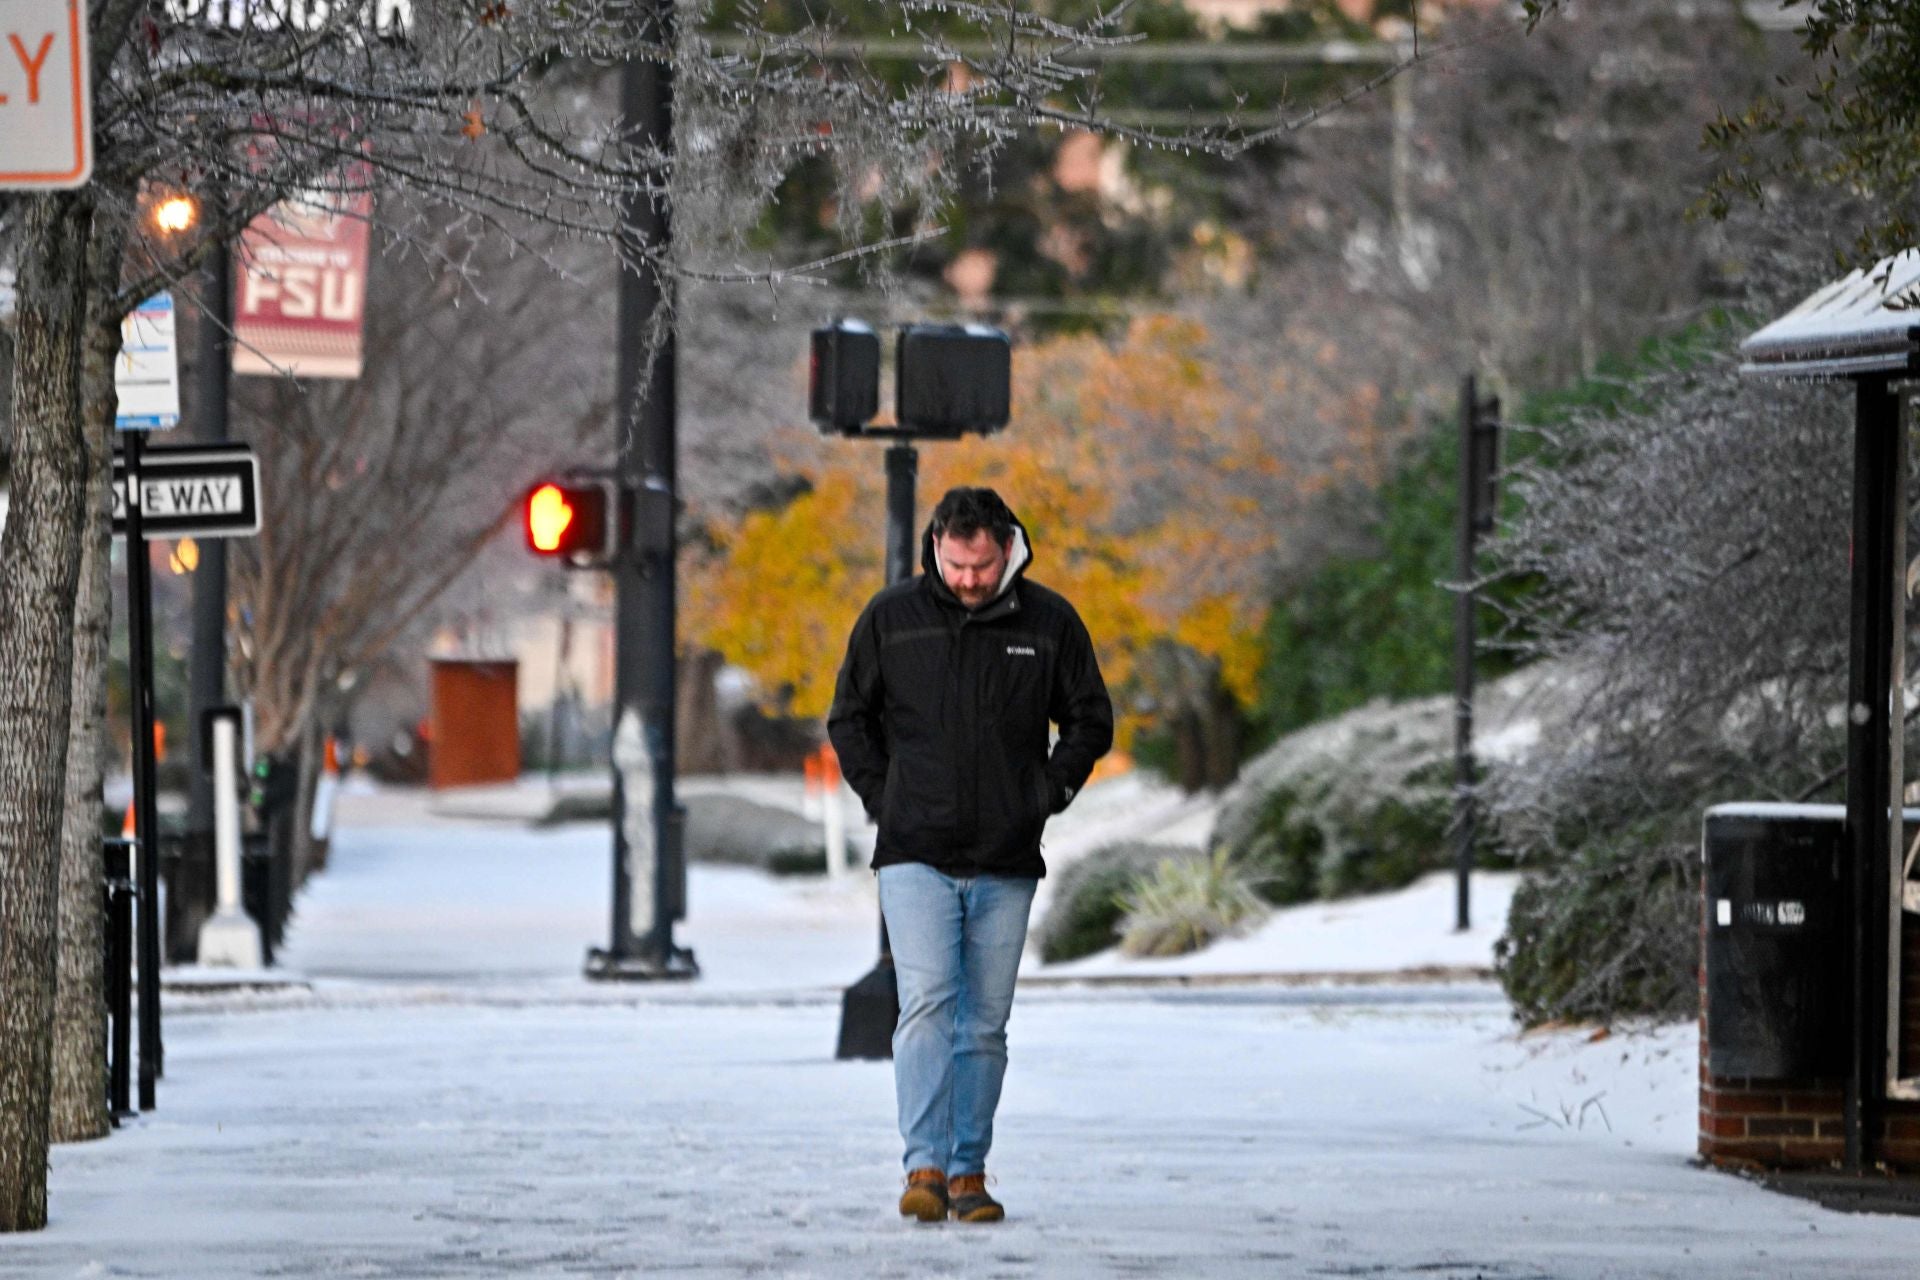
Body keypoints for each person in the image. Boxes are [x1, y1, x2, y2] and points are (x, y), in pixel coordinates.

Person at [828, 486, 1114, 1224]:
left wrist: (1044, 793)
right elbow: (848, 718)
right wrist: (883, 800)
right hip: (914, 850)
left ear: (1007, 547)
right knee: (926, 1005)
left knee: (984, 1022)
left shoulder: (1049, 623)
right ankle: (923, 1165)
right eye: (954, 565)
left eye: (981, 566)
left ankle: (968, 1171)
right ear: (935, 548)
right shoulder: (891, 619)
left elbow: (1090, 719)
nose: (967, 580)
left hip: (1005, 855)